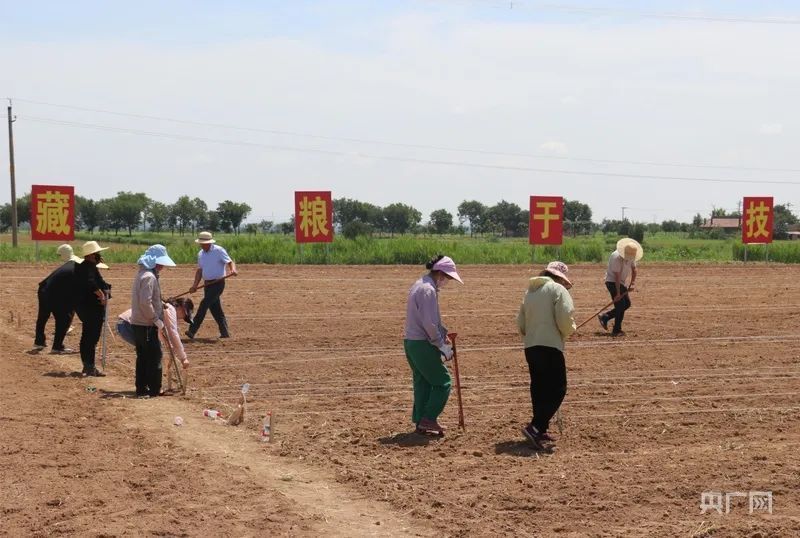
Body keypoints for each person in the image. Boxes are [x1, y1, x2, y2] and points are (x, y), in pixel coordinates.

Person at [516, 261, 576, 450]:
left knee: (539, 388)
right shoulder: (558, 290)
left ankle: (539, 429)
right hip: (550, 345)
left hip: (531, 346)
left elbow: (521, 323)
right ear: (560, 278)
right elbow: (565, 318)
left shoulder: (530, 292)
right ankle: (535, 427)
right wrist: (569, 331)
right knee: (558, 388)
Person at [403, 254, 464, 436]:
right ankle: (429, 418)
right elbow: (429, 324)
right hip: (422, 343)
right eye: (448, 277)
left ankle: (421, 420)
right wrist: (441, 346)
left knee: (422, 382)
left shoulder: (420, 284)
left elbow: (430, 321)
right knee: (442, 382)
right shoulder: (428, 290)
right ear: (440, 273)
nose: (447, 281)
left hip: (411, 342)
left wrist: (443, 333)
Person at [130, 244, 176, 398]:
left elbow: (147, 299)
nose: (162, 266)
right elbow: (145, 302)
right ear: (155, 262)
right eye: (161, 263)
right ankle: (155, 389)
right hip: (147, 324)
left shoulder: (142, 274)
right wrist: (156, 320)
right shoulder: (149, 277)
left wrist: (160, 304)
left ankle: (142, 389)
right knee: (155, 356)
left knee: (143, 356)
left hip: (139, 323)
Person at [185, 231, 238, 340]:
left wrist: (233, 269)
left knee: (204, 304)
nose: (201, 245)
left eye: (203, 243)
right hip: (207, 285)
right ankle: (225, 332)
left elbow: (229, 262)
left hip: (218, 283)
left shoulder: (219, 251)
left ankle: (192, 330)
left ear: (209, 243)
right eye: (200, 243)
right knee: (216, 310)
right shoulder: (200, 254)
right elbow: (199, 271)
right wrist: (194, 285)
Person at [118, 297, 192, 368]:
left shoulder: (165, 308)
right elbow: (173, 333)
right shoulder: (170, 309)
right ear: (181, 308)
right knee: (153, 352)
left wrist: (170, 348)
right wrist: (183, 357)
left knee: (152, 350)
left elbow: (161, 333)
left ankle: (146, 376)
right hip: (128, 325)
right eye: (184, 316)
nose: (181, 318)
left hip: (124, 324)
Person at [73, 241, 112, 377]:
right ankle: (89, 367)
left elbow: (99, 282)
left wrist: (106, 291)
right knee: (91, 337)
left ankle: (87, 365)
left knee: (87, 336)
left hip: (83, 306)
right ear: (91, 255)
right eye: (96, 254)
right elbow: (91, 283)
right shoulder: (88, 267)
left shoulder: (83, 266)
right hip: (91, 308)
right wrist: (102, 296)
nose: (99, 256)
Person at [34, 244, 81, 353]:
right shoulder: (76, 265)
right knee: (64, 318)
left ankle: (39, 342)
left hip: (44, 289)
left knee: (43, 317)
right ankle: (57, 346)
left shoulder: (69, 265)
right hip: (54, 293)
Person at [597, 238, 643, 337]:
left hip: (621, 282)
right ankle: (616, 329)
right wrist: (617, 293)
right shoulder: (616, 257)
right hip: (612, 282)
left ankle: (606, 316)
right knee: (621, 306)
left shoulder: (631, 256)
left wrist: (633, 283)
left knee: (627, 304)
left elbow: (634, 270)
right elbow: (617, 277)